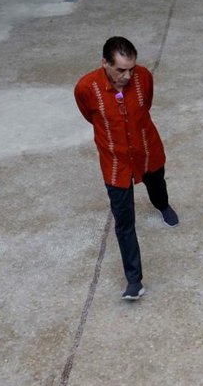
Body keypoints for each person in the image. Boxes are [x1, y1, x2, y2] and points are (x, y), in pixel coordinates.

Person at [74, 36, 179, 300]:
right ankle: (134, 280)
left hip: (146, 149)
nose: (128, 76)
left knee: (157, 182)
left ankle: (163, 205)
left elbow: (147, 105)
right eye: (120, 70)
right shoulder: (86, 87)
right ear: (104, 64)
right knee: (124, 221)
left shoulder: (144, 78)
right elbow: (90, 116)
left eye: (131, 68)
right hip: (115, 163)